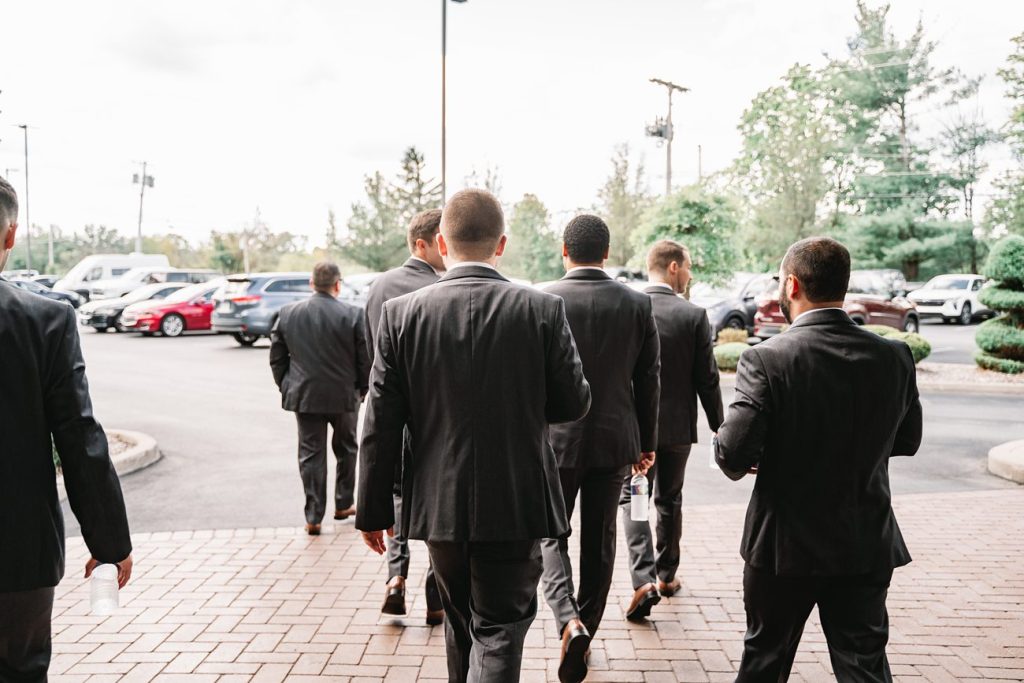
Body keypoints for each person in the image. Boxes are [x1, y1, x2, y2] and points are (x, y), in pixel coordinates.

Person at [356, 189, 591, 683]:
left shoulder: (401, 315)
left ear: (442, 243)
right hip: (516, 497)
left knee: (461, 623)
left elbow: (380, 420)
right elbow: (573, 403)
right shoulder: (541, 309)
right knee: (501, 627)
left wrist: (373, 511)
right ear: (500, 244)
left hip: (439, 503)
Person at [714, 237, 923, 683]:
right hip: (864, 539)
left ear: (791, 285)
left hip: (783, 546)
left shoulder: (766, 358)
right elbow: (907, 441)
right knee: (864, 665)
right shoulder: (895, 355)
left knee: (765, 661)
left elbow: (732, 455)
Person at [0, 176, 133, 680]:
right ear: (11, 235)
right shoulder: (45, 321)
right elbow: (80, 440)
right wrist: (109, 543)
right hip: (17, 553)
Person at [540, 214, 661, 683]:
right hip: (615, 439)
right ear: (607, 253)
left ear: (564, 252)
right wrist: (646, 443)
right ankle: (585, 626)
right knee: (601, 541)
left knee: (551, 534)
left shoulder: (543, 299)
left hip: (555, 441)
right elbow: (649, 378)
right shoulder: (636, 304)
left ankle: (567, 620)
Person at [618, 239, 723, 617]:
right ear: (674, 266)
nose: (691, 275)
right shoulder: (693, 315)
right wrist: (718, 427)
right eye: (689, 267)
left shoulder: (628, 308)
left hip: (632, 428)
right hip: (677, 427)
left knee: (633, 499)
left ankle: (642, 577)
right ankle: (666, 574)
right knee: (669, 499)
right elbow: (708, 379)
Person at [363, 209, 446, 625]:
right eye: (441, 240)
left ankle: (396, 578)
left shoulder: (379, 287)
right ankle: (435, 593)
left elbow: (371, 357)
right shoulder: (440, 287)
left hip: (391, 413)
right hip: (433, 421)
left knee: (397, 497)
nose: (448, 249)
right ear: (423, 244)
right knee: (431, 504)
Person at [269, 261, 370, 535]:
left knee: (310, 455)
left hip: (305, 396)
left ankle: (313, 516)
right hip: (344, 396)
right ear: (338, 285)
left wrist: (287, 386)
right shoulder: (353, 314)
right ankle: (343, 503)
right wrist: (361, 389)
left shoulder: (288, 313)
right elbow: (365, 360)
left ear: (311, 284)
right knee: (347, 449)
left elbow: (277, 358)